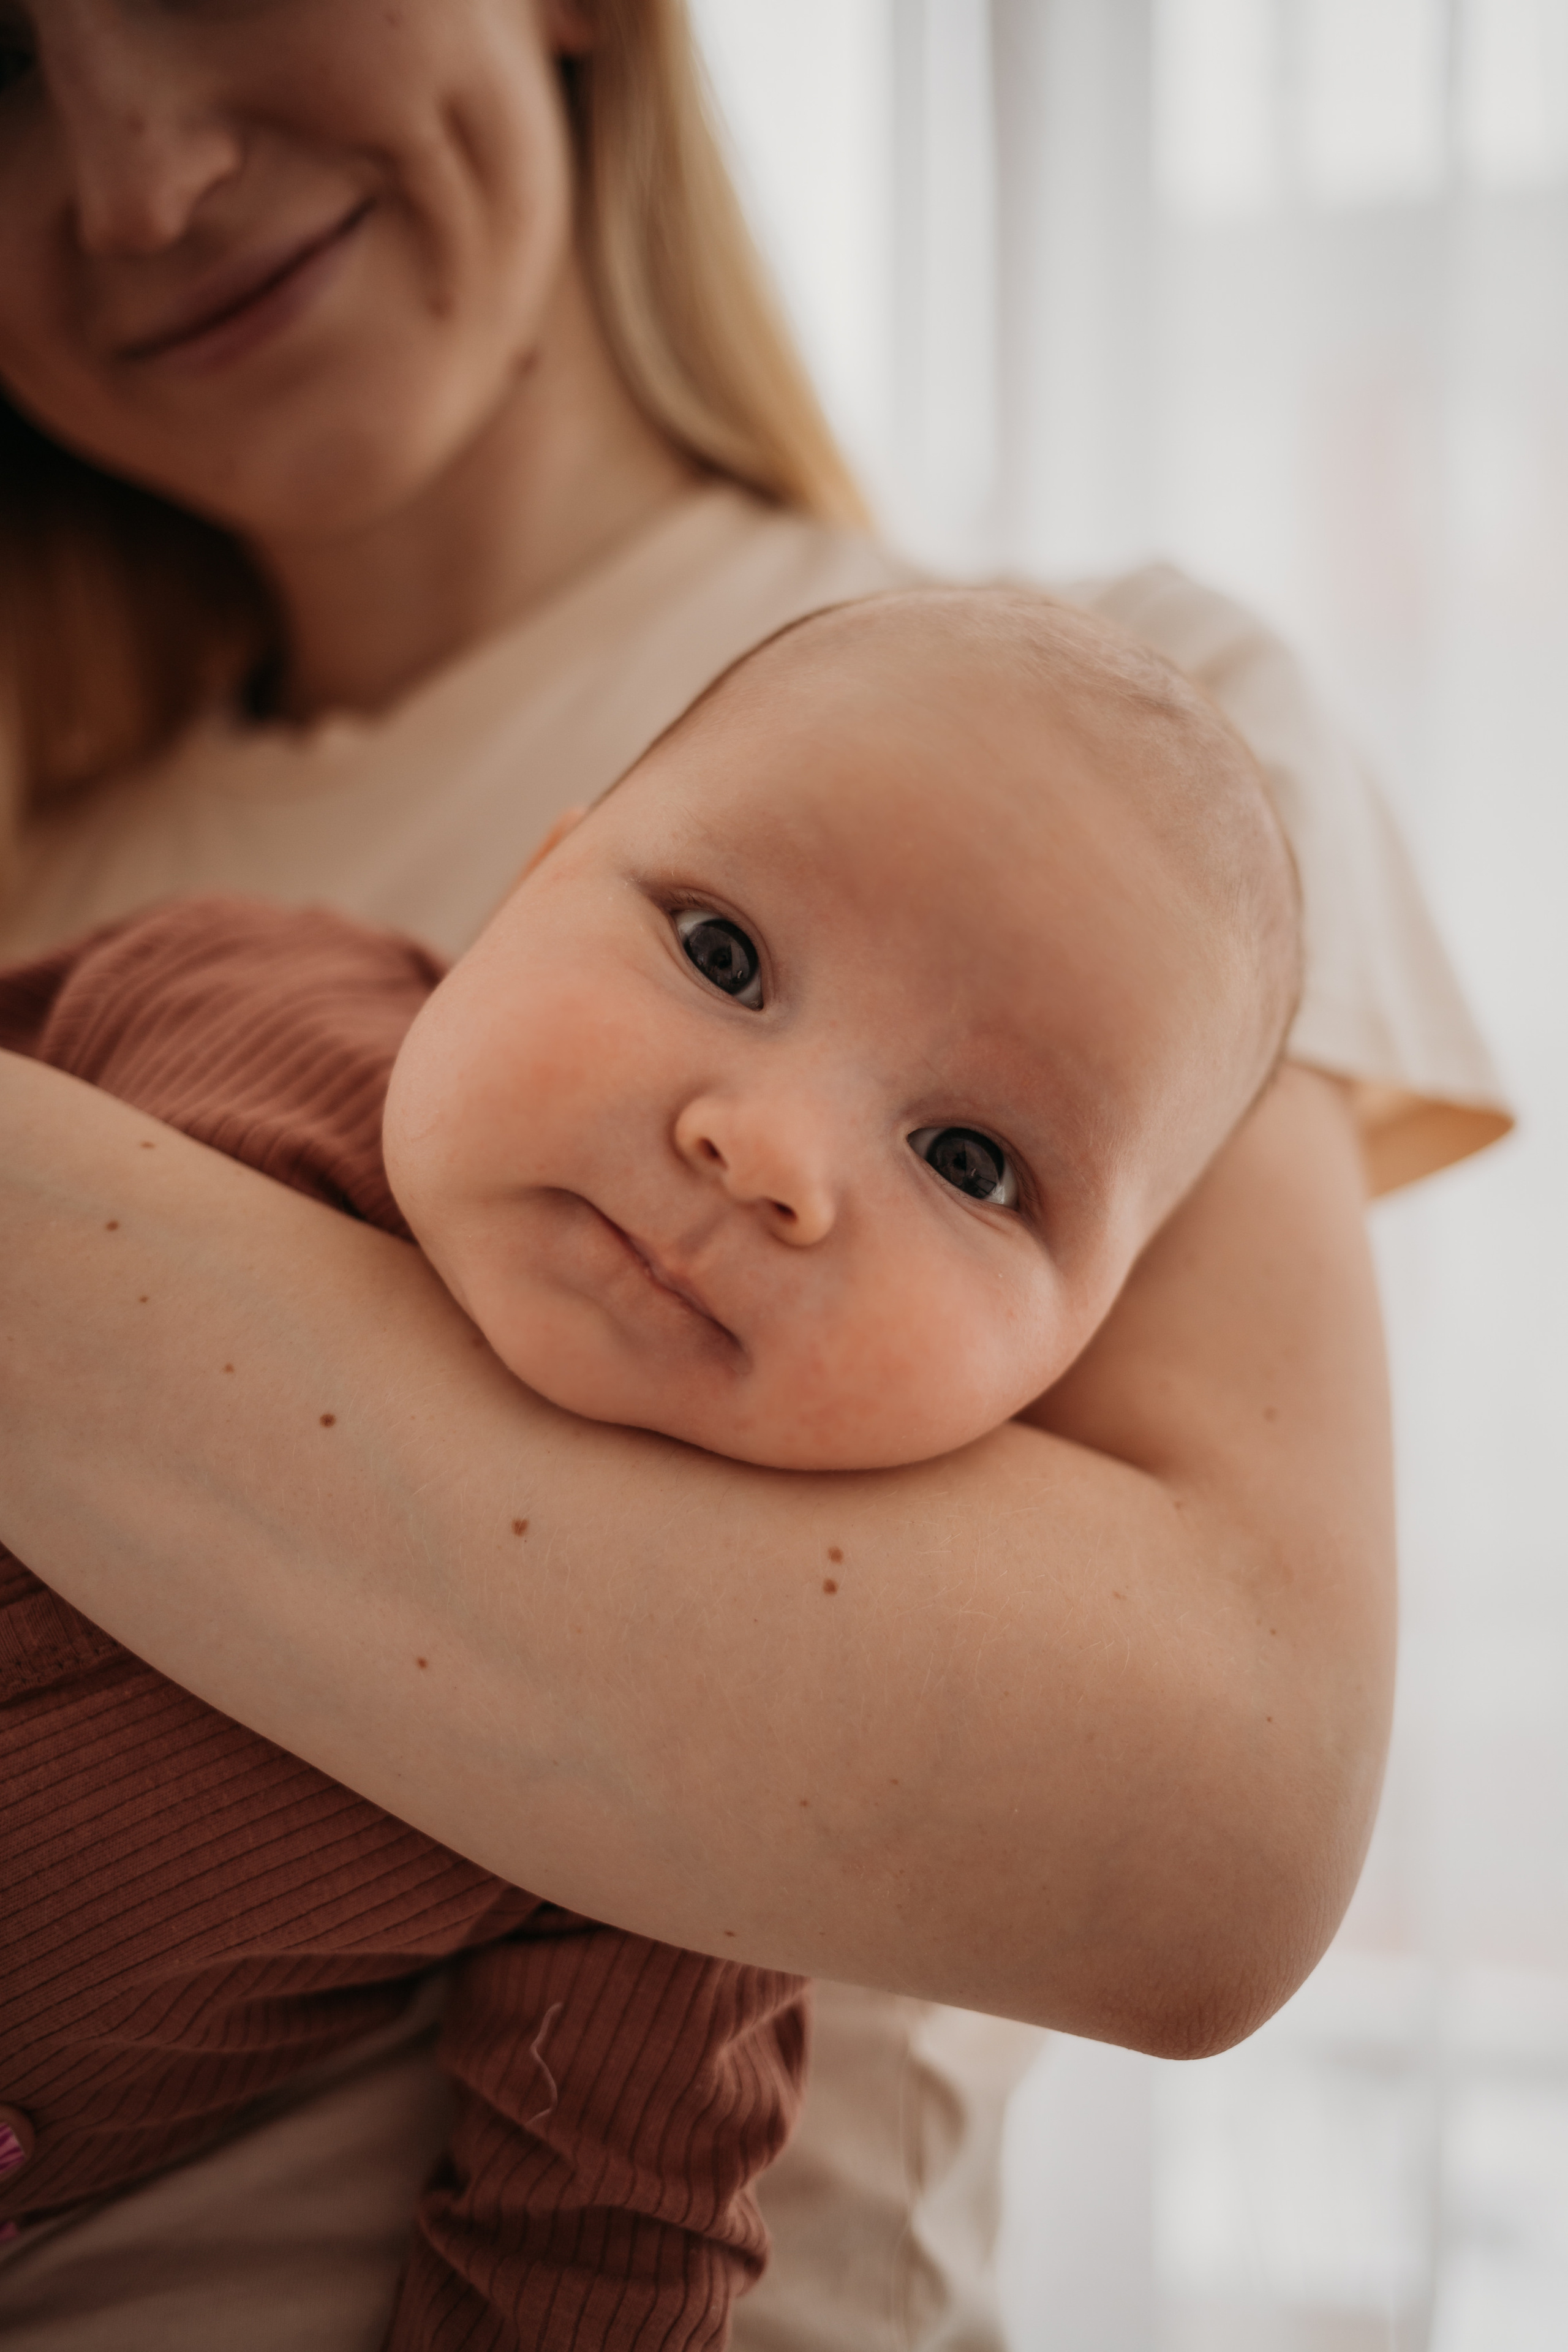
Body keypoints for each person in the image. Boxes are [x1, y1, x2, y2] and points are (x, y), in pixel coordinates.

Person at [0, 3, 1510, 2348]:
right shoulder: (83, 906)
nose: (135, 179)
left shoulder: (1138, 768)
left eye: (974, 1161)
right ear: (546, 863)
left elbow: (1204, 1842)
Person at [0, 583, 1300, 2342]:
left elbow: (599, 2246)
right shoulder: (212, 985)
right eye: (722, 955)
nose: (772, 1153)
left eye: (975, 1164)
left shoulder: (717, 1778)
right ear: (527, 887)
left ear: (1072, 1356)